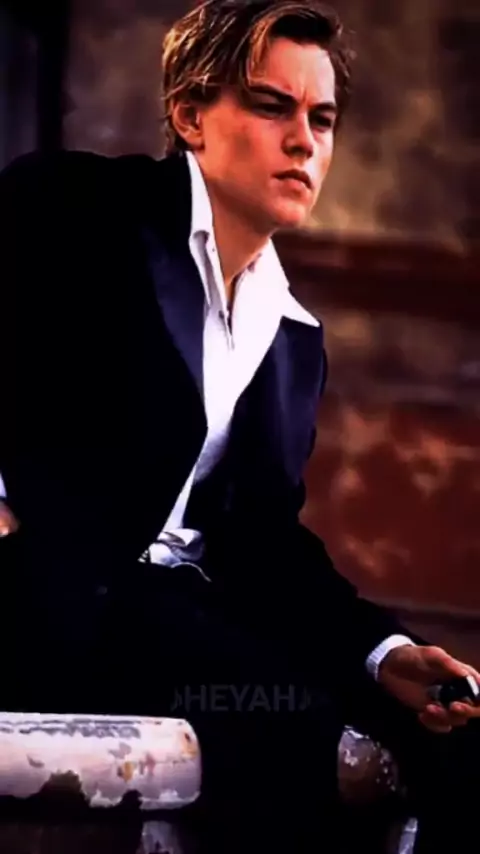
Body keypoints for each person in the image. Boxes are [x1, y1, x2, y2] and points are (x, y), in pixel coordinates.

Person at [0, 0, 479, 850]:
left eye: (322, 119)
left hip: (183, 619)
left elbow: (262, 546)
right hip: (51, 604)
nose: (304, 141)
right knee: (292, 723)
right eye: (271, 106)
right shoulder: (77, 206)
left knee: (446, 733)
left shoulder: (291, 335)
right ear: (190, 115)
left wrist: (385, 653)